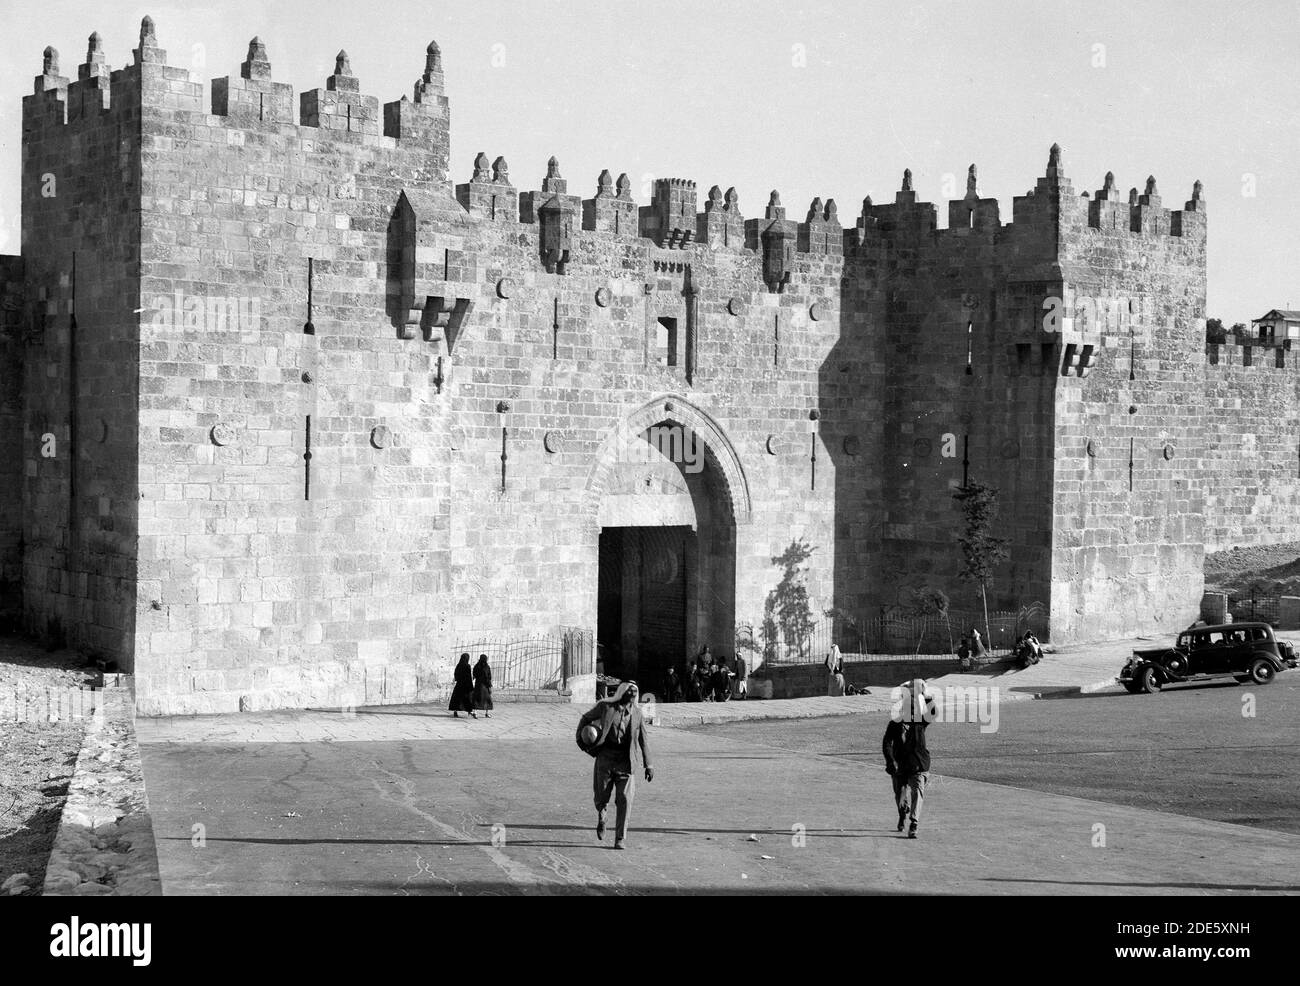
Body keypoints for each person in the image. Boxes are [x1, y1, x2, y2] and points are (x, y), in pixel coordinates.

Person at [576, 680, 654, 850]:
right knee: (602, 797)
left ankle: (620, 838)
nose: (632, 696)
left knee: (625, 799)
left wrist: (649, 765)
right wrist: (582, 741)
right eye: (629, 693)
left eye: (634, 694)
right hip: (606, 759)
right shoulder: (606, 708)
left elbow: (643, 740)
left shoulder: (637, 714)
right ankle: (602, 817)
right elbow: (585, 718)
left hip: (626, 762)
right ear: (621, 693)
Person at [882, 678, 936, 839]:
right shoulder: (894, 724)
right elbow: (887, 743)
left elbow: (932, 712)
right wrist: (890, 761)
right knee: (899, 795)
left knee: (917, 792)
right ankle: (902, 813)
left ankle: (914, 823)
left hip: (918, 765)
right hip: (899, 766)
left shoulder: (920, 722)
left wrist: (925, 693)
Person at [449, 653, 476, 719]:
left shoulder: (458, 665)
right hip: (466, 685)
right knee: (467, 698)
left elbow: (455, 674)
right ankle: (469, 711)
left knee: (457, 698)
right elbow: (469, 677)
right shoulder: (467, 666)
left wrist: (457, 679)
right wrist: (470, 686)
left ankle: (455, 711)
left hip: (459, 684)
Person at [472, 653, 493, 718]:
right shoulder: (487, 667)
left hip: (478, 685)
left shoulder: (477, 666)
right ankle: (487, 713)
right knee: (487, 699)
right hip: (485, 685)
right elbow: (489, 677)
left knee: (477, 698)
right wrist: (489, 685)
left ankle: (475, 712)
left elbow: (474, 674)